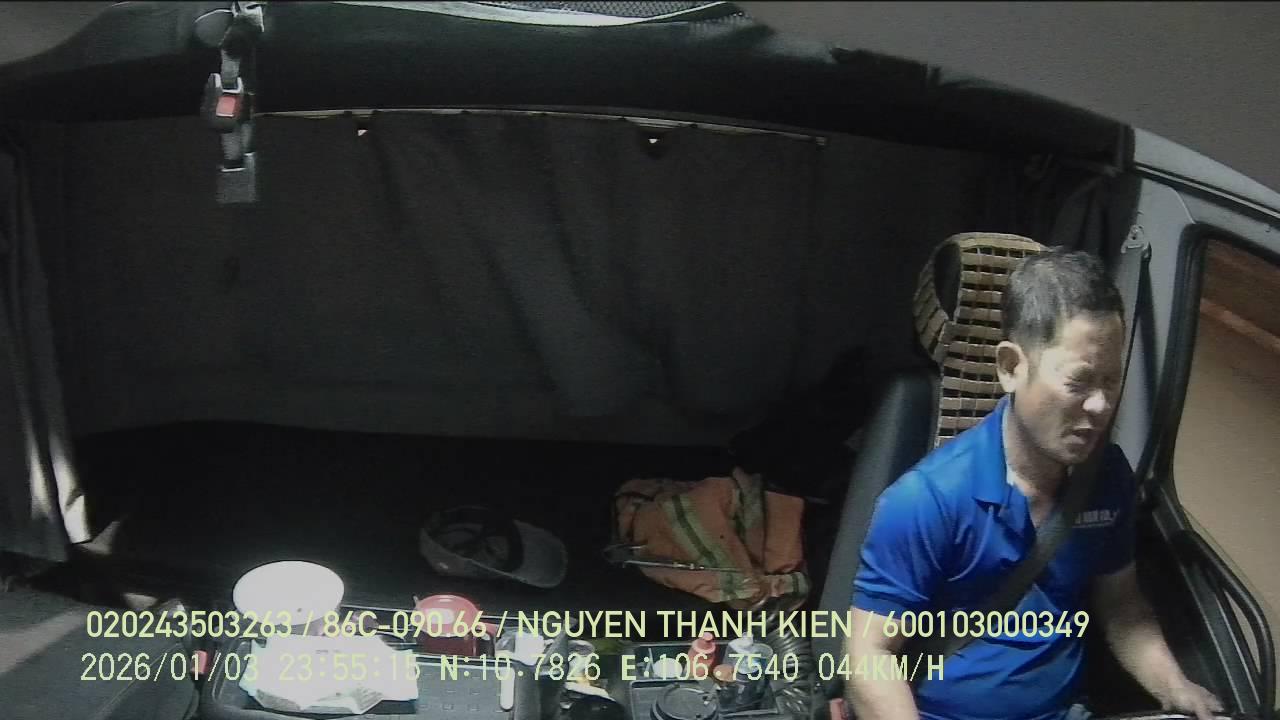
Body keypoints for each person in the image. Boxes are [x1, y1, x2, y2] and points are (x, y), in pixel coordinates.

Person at [844, 249, 1224, 720]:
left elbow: (1122, 606)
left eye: (1111, 381)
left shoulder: (1106, 476)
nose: (1100, 406)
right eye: (1079, 382)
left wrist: (1174, 686)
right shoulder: (926, 500)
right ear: (1011, 367)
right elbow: (868, 657)